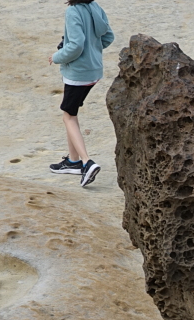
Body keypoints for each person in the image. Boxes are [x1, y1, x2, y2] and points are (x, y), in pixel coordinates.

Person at [47, 0, 114, 188]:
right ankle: (73, 161)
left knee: (68, 117)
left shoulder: (73, 11)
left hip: (77, 74)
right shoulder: (95, 6)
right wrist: (93, 51)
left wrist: (56, 57)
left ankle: (86, 162)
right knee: (71, 113)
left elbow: (76, 46)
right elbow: (108, 37)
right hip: (94, 72)